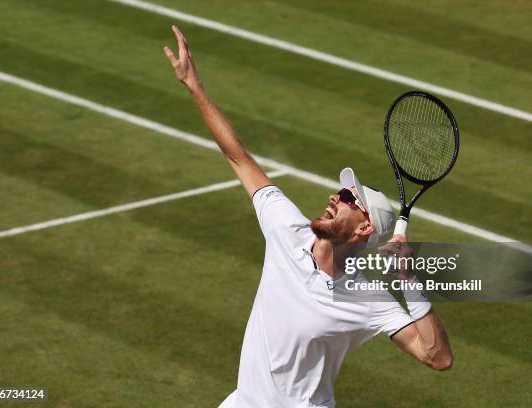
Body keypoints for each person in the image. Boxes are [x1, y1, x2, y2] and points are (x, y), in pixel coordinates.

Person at [164, 25, 452, 408]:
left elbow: (437, 357)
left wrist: (409, 279)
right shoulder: (287, 229)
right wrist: (194, 87)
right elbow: (239, 157)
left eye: (349, 197)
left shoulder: (367, 296)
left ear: (364, 227)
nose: (335, 195)